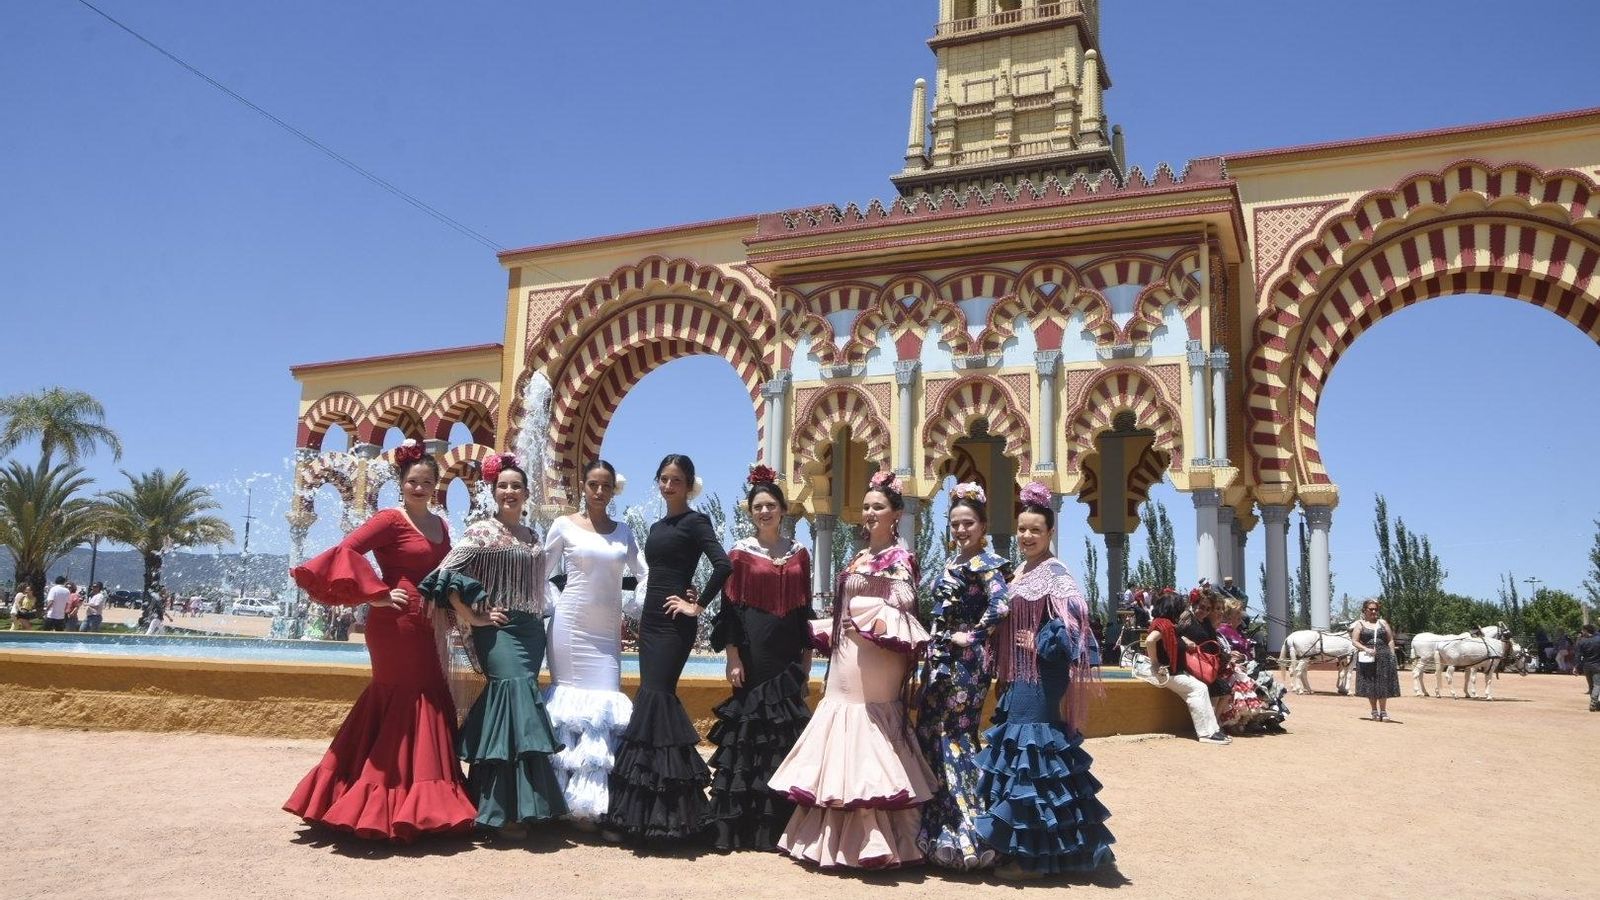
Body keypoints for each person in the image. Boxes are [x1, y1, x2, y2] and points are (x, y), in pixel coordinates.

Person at [284, 440, 475, 842]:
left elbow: (446, 572)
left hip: (430, 624)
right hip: (395, 625)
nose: (418, 487)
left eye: (425, 482)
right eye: (411, 481)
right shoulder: (390, 519)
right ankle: (380, 799)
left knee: (429, 694)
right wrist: (377, 594)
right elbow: (348, 549)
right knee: (402, 698)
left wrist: (463, 613)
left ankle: (424, 799)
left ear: (436, 485)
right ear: (401, 484)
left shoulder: (441, 525)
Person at [768, 470, 935, 869]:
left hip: (878, 654)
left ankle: (878, 838)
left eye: (878, 506)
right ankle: (828, 839)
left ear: (895, 514)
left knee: (868, 727)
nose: (869, 513)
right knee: (839, 721)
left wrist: (865, 615)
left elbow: (906, 599)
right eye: (865, 507)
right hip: (847, 655)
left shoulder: (901, 556)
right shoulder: (859, 556)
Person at [421, 452, 567, 839]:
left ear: (526, 492)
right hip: (497, 632)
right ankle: (501, 810)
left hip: (530, 631)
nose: (509, 492)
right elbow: (442, 574)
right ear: (493, 491)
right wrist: (471, 616)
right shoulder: (481, 532)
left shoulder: (533, 536)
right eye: (502, 486)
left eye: (516, 486)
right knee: (513, 693)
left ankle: (515, 804)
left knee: (517, 710)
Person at [976, 482, 1114, 880]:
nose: (1027, 536)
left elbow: (1077, 624)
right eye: (1022, 529)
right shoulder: (1017, 572)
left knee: (1031, 755)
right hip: (1017, 675)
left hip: (1040, 676)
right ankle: (1031, 847)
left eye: (1035, 530)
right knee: (1025, 756)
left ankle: (1031, 856)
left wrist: (1041, 640)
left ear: (1050, 532)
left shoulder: (1056, 574)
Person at [603, 453, 731, 844]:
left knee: (657, 698)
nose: (668, 485)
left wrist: (698, 604)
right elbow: (649, 574)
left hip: (676, 624)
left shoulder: (696, 521)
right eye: (663, 478)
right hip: (651, 623)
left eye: (676, 480)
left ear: (688, 484)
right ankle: (643, 813)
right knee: (650, 698)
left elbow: (723, 565)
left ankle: (665, 816)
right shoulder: (658, 525)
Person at [705, 464, 814, 851]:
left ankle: (779, 829)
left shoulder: (801, 555)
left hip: (786, 658)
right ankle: (740, 828)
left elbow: (804, 613)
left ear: (783, 509)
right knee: (749, 737)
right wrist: (733, 656)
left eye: (770, 505)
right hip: (752, 655)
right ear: (750, 512)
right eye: (758, 507)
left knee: (783, 738)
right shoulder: (739, 554)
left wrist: (806, 660)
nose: (764, 512)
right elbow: (729, 611)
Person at [542, 459, 647, 827]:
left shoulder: (624, 532)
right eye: (593, 485)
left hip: (606, 631)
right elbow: (541, 571)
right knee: (568, 706)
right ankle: (559, 800)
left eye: (606, 486)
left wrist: (633, 604)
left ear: (612, 490)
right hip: (569, 626)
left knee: (604, 707)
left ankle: (593, 802)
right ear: (582, 487)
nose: (599, 491)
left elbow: (643, 572)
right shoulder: (562, 525)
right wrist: (553, 604)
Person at [915, 481, 1010, 871]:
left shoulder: (986, 564)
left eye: (968, 523)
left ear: (983, 525)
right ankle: (940, 833)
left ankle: (969, 831)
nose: (960, 530)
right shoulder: (952, 563)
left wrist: (969, 635)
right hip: (940, 662)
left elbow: (1001, 605)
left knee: (955, 735)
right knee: (933, 733)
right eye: (955, 524)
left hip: (966, 667)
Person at [1141, 593, 1229, 744]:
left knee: (1201, 688)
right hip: (1166, 673)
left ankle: (1212, 730)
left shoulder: (1167, 624)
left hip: (1173, 672)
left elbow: (1173, 639)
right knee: (1198, 689)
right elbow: (1150, 640)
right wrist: (1155, 664)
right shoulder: (1164, 624)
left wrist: (1185, 641)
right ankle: (1206, 734)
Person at [1216, 598, 1287, 733]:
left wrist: (1244, 657)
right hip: (1234, 667)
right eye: (1237, 613)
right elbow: (1223, 650)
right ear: (1228, 615)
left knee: (1267, 679)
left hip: (1247, 665)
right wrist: (1232, 655)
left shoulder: (1239, 632)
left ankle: (1269, 717)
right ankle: (1250, 719)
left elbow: (1249, 653)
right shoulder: (1222, 630)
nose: (1240, 616)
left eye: (1240, 613)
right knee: (1260, 680)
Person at [1350, 599, 1400, 721]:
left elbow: (1390, 640)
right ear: (1365, 610)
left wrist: (1392, 655)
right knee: (1370, 684)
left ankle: (1383, 711)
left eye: (1376, 609)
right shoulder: (1360, 624)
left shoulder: (1382, 623)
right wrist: (1365, 649)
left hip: (1384, 657)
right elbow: (1354, 641)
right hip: (1368, 658)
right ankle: (1374, 711)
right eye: (1371, 609)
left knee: (1383, 684)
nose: (1374, 611)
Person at [1575, 624, 1600, 711]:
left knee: (1591, 686)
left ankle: (1596, 704)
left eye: (1583, 630)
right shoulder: (1598, 640)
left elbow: (1578, 655)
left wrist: (1576, 667)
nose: (1582, 632)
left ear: (1586, 631)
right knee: (1597, 685)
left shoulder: (1582, 641)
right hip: (1597, 666)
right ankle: (1593, 703)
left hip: (1587, 666)